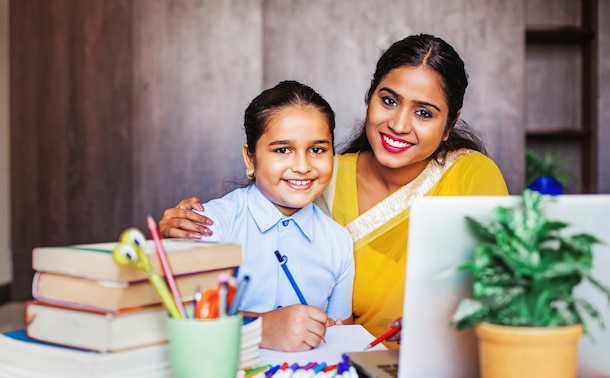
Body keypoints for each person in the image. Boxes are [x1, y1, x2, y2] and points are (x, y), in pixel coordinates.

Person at [159, 34, 508, 343]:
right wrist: (173, 243)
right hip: (341, 367)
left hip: (433, 363)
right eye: (389, 100)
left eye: (425, 113)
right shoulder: (318, 178)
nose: (399, 125)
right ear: (370, 93)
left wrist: (438, 327)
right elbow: (180, 311)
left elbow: (507, 293)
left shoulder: (471, 176)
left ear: (450, 124)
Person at [161, 80, 354, 351]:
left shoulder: (338, 242)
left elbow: (340, 336)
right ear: (250, 158)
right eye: (282, 150)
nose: (302, 166)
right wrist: (261, 328)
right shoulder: (210, 225)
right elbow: (181, 320)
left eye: (317, 150)